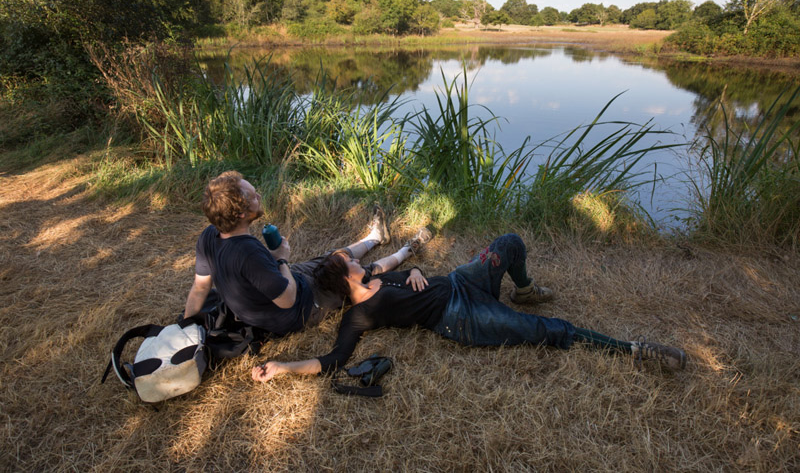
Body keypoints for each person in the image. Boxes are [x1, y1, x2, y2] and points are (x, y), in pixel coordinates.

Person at [252, 233, 687, 383]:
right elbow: (332, 361)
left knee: (509, 244)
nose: (355, 256)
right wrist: (283, 368)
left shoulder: (378, 276)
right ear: (343, 275)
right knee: (546, 331)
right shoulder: (359, 315)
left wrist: (418, 268)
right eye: (350, 258)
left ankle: (526, 288)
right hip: (459, 318)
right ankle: (632, 349)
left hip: (460, 282)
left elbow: (413, 270)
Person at [183, 170, 428, 337]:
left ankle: (375, 237)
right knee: (360, 273)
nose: (259, 196)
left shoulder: (209, 235)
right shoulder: (249, 253)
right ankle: (408, 249)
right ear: (241, 214)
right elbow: (287, 299)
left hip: (282, 285)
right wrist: (281, 257)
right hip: (299, 308)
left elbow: (200, 288)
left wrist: (185, 325)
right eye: (253, 197)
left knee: (334, 258)